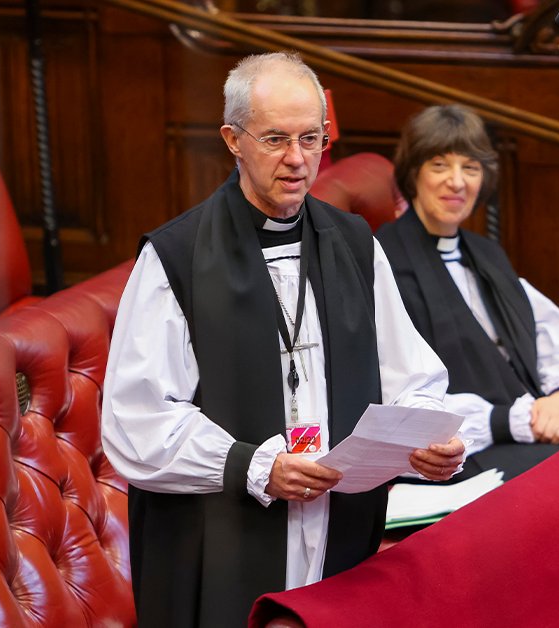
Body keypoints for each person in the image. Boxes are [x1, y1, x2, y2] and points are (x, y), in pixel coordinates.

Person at [101, 52, 465, 627]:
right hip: (219, 544)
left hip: (338, 532)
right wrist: (254, 466)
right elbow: (136, 423)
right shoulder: (176, 258)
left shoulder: (354, 243)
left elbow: (412, 378)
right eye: (275, 139)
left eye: (311, 138)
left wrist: (427, 441)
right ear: (233, 140)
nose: (297, 160)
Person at [376, 104, 559, 482]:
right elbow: (395, 396)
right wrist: (514, 421)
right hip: (461, 454)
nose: (457, 182)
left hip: (531, 431)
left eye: (470, 168)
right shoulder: (382, 263)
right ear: (412, 174)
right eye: (439, 165)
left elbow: (549, 341)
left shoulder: (488, 255)